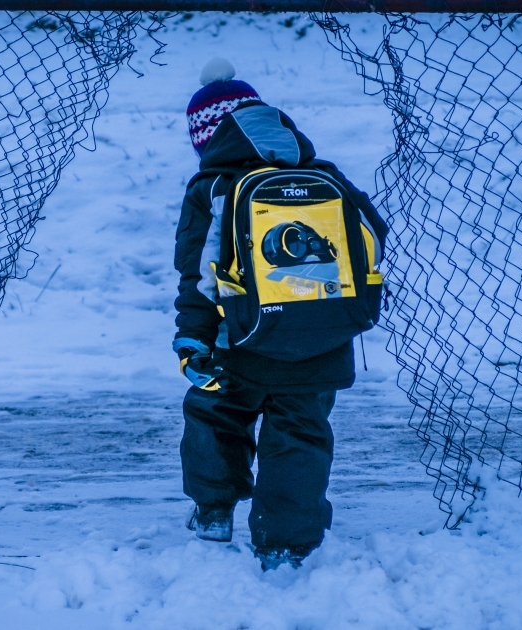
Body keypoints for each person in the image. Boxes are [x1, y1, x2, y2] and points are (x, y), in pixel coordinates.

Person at [172, 58, 388, 570]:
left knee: (213, 415)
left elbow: (198, 276)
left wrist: (194, 341)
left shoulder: (213, 190)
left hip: (240, 339)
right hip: (322, 339)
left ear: (207, 137)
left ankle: (213, 511)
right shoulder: (324, 176)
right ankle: (286, 544)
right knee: (300, 438)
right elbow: (372, 240)